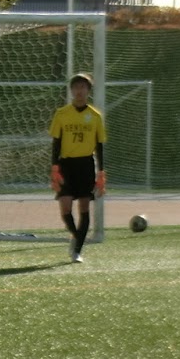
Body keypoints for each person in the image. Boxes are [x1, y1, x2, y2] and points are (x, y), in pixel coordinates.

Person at [47, 72, 107, 264]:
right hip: (66, 165)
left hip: (86, 164)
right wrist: (54, 166)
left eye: (83, 87)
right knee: (65, 207)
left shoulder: (95, 116)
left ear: (88, 90)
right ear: (71, 90)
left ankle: (77, 250)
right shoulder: (62, 114)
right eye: (76, 87)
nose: (79, 91)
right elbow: (56, 142)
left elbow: (99, 145)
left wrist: (101, 171)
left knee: (84, 206)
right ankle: (76, 236)